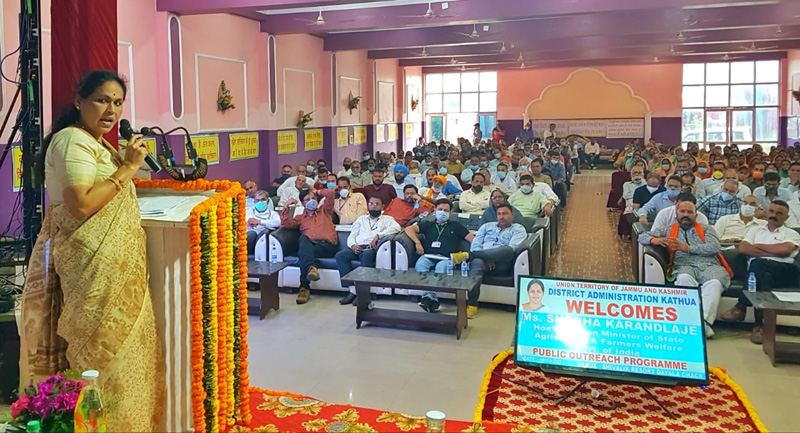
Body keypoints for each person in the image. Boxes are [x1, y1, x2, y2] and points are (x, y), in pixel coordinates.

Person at [21, 70, 162, 431]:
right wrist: (129, 167)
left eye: (117, 102)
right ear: (79, 101)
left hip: (119, 274)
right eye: (102, 99)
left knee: (130, 358)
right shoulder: (72, 141)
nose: (111, 109)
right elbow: (81, 204)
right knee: (100, 357)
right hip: (92, 274)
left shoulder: (98, 143)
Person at [639, 200, 731, 338]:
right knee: (683, 280)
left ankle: (701, 323)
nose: (685, 215)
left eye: (689, 212)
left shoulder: (707, 229)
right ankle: (698, 326)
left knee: (715, 284)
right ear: (676, 213)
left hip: (710, 266)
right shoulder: (667, 229)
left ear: (696, 214)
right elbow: (642, 236)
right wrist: (655, 240)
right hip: (684, 266)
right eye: (682, 211)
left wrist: (687, 248)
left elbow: (714, 247)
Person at [718, 201, 800, 344]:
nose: (774, 215)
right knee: (762, 276)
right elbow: (743, 248)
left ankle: (741, 307)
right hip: (759, 273)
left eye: (779, 213)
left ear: (786, 217)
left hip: (785, 272)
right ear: (767, 212)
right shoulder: (755, 230)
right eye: (772, 211)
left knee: (757, 263)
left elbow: (785, 250)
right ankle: (759, 326)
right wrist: (775, 250)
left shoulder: (791, 233)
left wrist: (757, 247)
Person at [405, 199, 474, 313]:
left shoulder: (456, 226)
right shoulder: (427, 224)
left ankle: (428, 298)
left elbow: (472, 239)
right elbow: (408, 229)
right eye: (440, 209)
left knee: (440, 268)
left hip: (447, 258)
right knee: (420, 265)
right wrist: (417, 243)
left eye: (446, 210)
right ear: (435, 210)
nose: (442, 212)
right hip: (428, 255)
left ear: (450, 213)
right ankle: (432, 299)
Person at [336, 196, 402, 305]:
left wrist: (378, 235)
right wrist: (353, 245)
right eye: (371, 204)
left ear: (382, 206)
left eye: (376, 204)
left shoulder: (387, 219)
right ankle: (353, 290)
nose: (373, 206)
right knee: (340, 255)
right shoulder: (361, 219)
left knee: (366, 256)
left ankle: (363, 292)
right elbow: (353, 234)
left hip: (371, 247)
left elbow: (397, 228)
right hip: (357, 246)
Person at [465, 204, 528, 318]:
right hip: (481, 260)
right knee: (477, 266)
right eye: (499, 214)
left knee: (507, 250)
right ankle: (472, 304)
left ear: (512, 215)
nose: (501, 217)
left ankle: (468, 256)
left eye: (505, 214)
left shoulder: (518, 229)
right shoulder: (486, 226)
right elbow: (476, 244)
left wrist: (489, 256)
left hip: (502, 262)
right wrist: (486, 258)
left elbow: (512, 248)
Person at [280, 188, 338, 304]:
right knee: (303, 241)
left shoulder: (325, 211)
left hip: (327, 246)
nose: (311, 201)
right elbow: (285, 223)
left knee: (303, 252)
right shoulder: (300, 218)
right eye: (307, 199)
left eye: (313, 198)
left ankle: (304, 288)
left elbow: (330, 194)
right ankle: (311, 269)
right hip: (310, 247)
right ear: (302, 203)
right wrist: (286, 206)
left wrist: (317, 191)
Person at [246, 190, 281, 254]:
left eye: (263, 200)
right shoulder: (247, 211)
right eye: (257, 200)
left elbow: (278, 223)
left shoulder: (273, 214)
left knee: (251, 234)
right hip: (242, 234)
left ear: (267, 201)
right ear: (254, 201)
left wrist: (259, 222)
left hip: (257, 240)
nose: (260, 202)